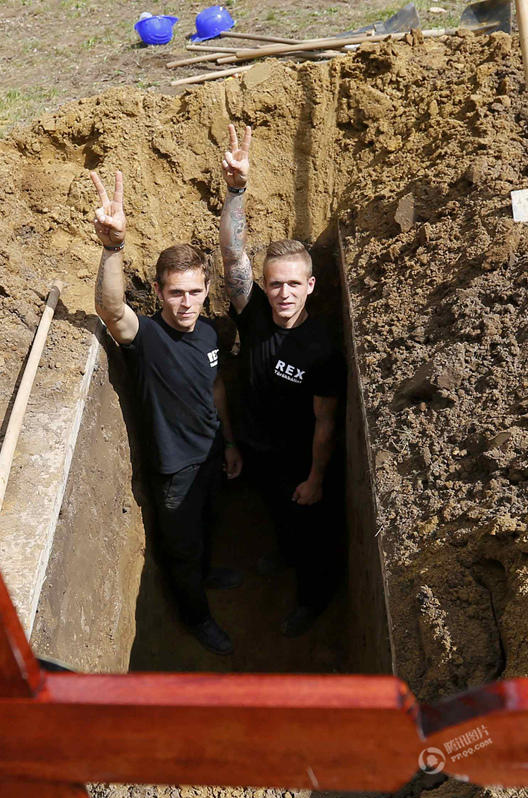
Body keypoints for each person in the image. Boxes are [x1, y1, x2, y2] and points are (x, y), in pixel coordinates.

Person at [89, 169, 243, 656]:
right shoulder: (147, 338)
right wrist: (113, 248)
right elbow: (112, 309)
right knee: (181, 549)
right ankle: (195, 615)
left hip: (213, 454)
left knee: (208, 526)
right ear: (158, 292)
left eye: (194, 292)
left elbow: (216, 386)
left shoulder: (210, 333)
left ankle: (205, 572)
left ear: (205, 289)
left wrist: (231, 442)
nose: (186, 302)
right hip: (175, 471)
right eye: (176, 292)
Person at [218, 125, 346, 638]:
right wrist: (235, 190)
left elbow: (326, 423)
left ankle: (313, 599)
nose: (284, 293)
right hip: (260, 449)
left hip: (302, 461)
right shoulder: (252, 316)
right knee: (277, 513)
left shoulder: (322, 350)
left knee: (312, 531)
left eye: (294, 283)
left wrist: (315, 479)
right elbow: (231, 256)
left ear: (311, 286)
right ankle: (285, 552)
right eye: (276, 283)